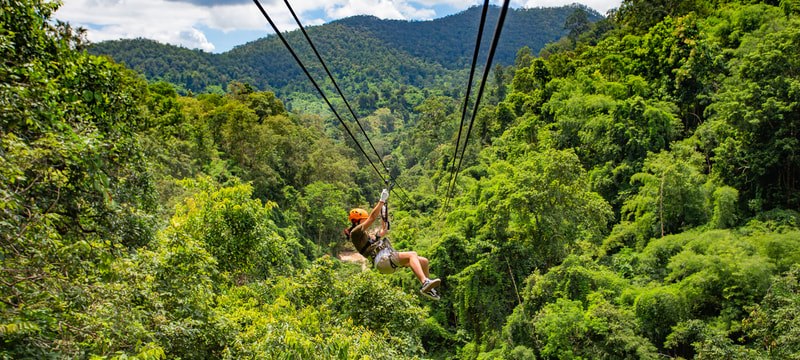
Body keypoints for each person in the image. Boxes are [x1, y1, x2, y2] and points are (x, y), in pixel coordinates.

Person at [344, 189, 441, 300]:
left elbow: (384, 231)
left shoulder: (366, 236)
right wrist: (381, 201)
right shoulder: (355, 233)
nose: (365, 222)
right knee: (412, 254)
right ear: (356, 221)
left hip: (386, 259)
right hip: (383, 260)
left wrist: (384, 213)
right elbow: (372, 218)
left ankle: (428, 289)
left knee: (424, 262)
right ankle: (425, 282)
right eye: (363, 220)